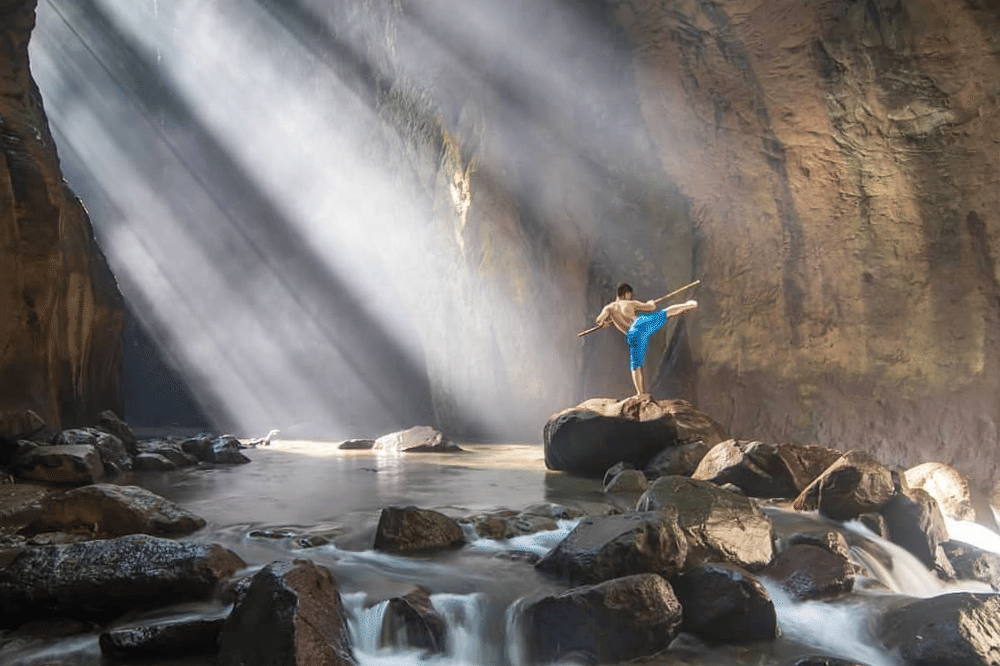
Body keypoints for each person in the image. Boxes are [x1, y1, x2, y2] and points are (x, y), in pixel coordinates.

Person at [595, 282, 698, 396]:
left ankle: (640, 393)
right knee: (665, 313)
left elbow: (599, 320)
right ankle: (688, 305)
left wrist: (603, 324)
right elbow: (650, 307)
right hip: (639, 324)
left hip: (632, 334)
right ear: (627, 294)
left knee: (635, 364)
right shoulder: (631, 303)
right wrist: (650, 303)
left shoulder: (609, 308)